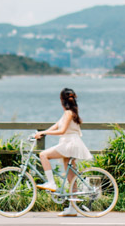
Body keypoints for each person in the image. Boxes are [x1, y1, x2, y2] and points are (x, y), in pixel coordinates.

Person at [34, 87, 93, 217]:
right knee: (71, 178)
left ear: (62, 100)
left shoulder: (68, 114)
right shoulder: (70, 113)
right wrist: (41, 133)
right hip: (71, 143)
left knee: (43, 155)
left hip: (69, 144)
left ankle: (51, 183)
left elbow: (61, 131)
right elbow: (55, 126)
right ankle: (73, 208)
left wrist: (44, 132)